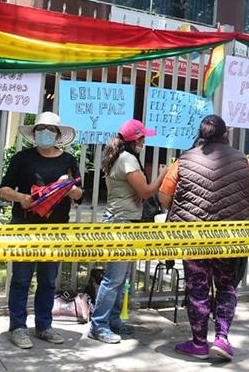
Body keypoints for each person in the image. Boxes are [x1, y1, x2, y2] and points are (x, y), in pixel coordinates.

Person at [158, 115, 249, 361]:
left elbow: (164, 196)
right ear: (226, 134)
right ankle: (222, 339)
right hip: (231, 238)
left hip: (193, 238)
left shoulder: (183, 160)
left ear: (201, 135)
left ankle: (198, 344)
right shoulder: (243, 161)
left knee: (197, 287)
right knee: (226, 286)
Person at [0, 112, 83, 349]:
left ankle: (44, 326)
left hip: (56, 228)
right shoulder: (22, 158)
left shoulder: (68, 161)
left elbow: (79, 193)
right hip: (24, 225)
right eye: (40, 128)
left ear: (58, 135)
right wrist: (21, 197)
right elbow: (4, 189)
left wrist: (70, 190)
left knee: (48, 279)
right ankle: (17, 327)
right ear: (34, 133)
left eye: (49, 129)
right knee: (21, 278)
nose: (44, 132)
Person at [89, 119, 167, 344]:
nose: (144, 142)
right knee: (113, 278)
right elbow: (144, 192)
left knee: (120, 277)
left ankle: (113, 321)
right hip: (120, 223)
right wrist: (162, 174)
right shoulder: (128, 159)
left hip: (125, 221)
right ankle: (99, 325)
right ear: (135, 140)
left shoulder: (122, 158)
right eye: (142, 138)